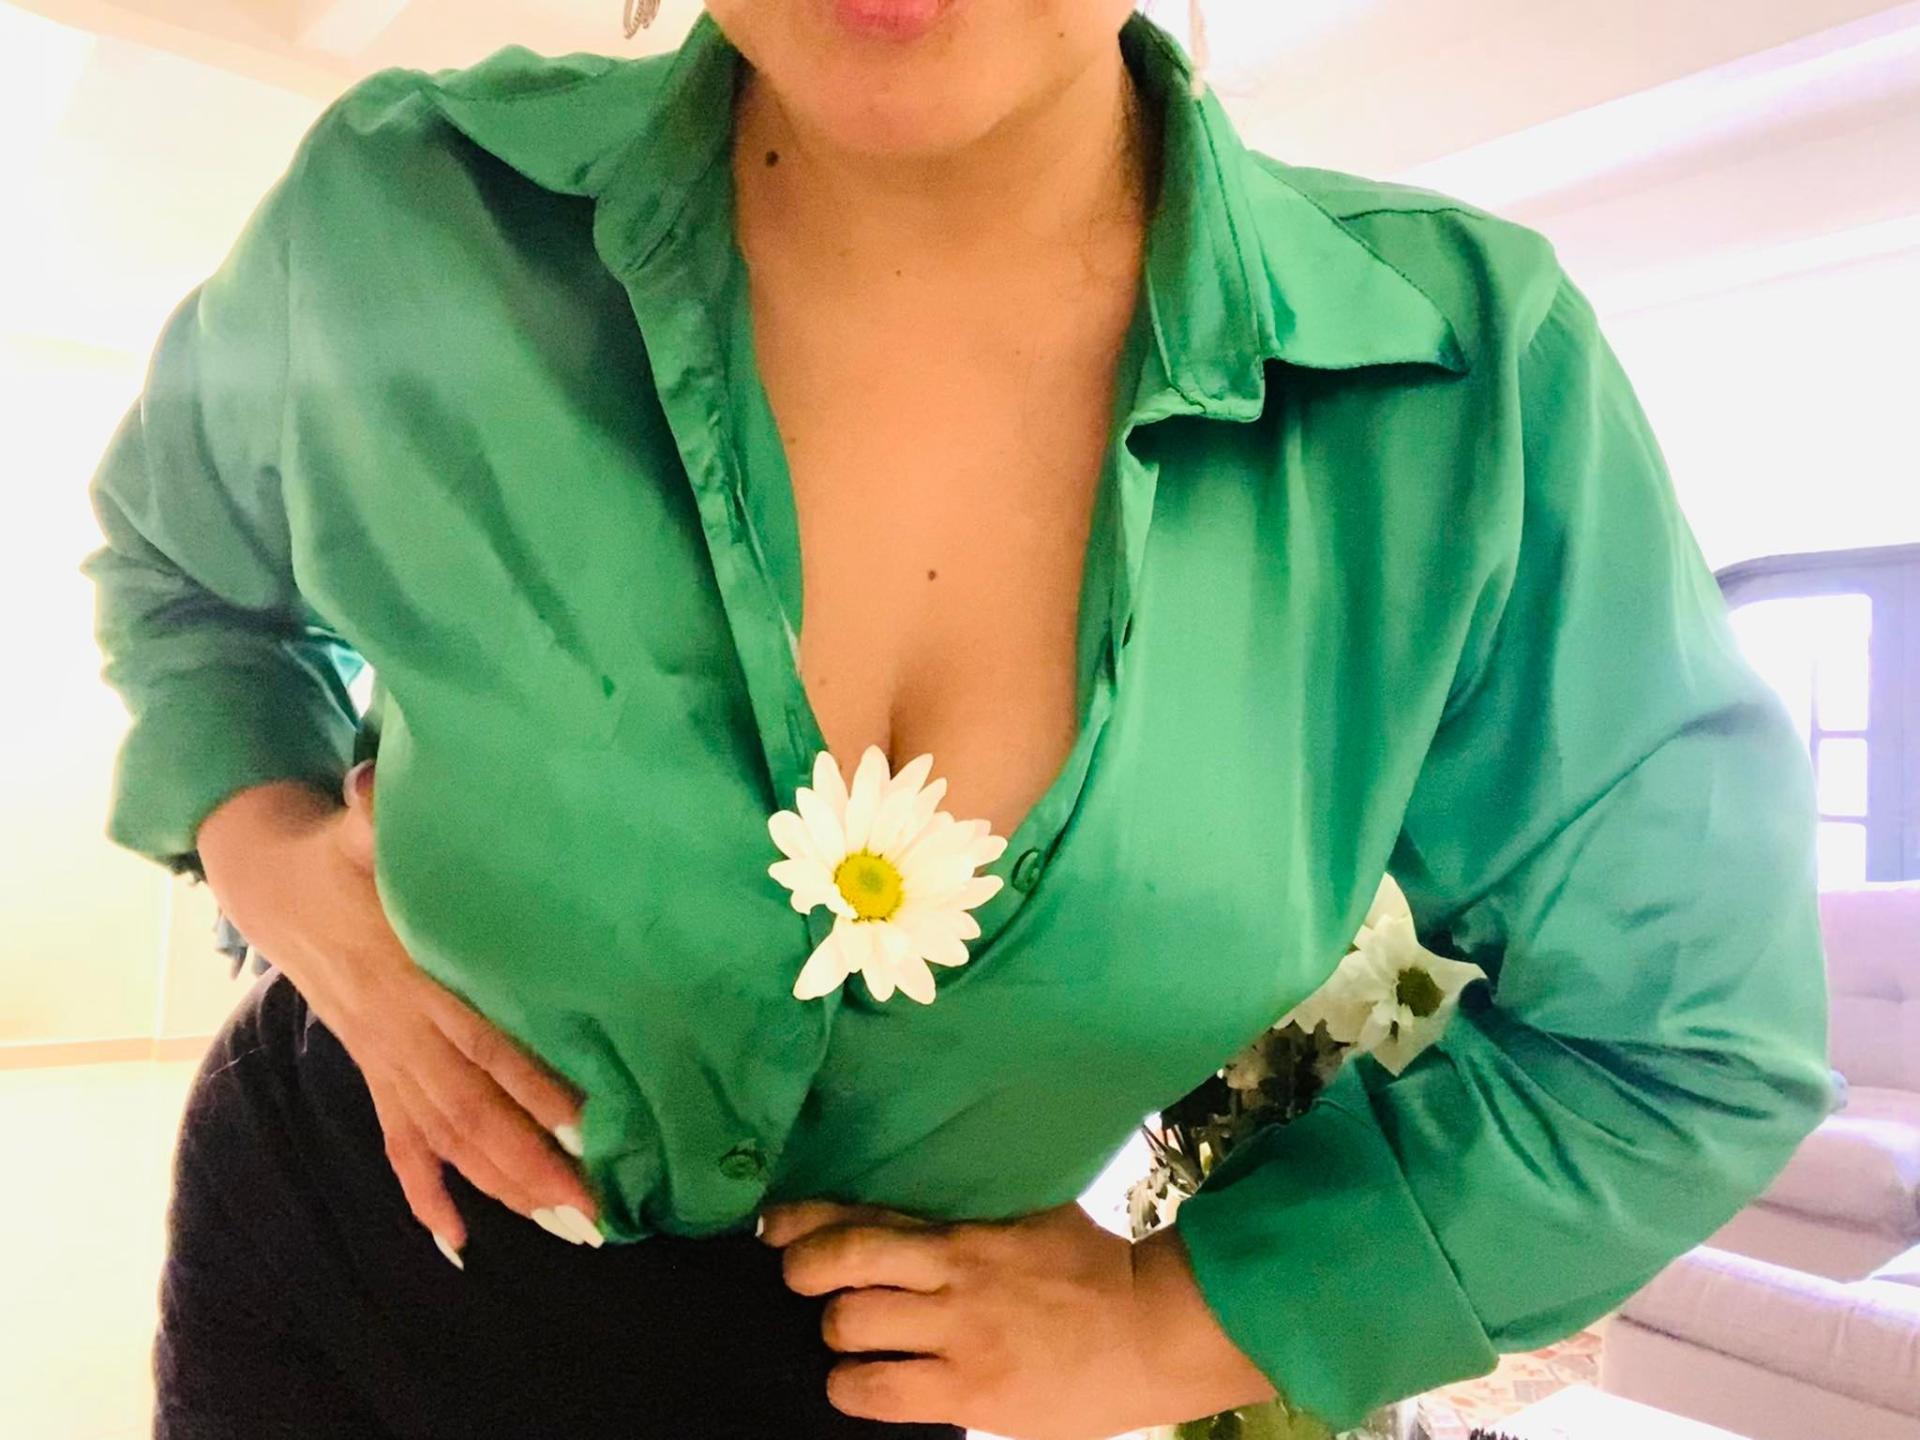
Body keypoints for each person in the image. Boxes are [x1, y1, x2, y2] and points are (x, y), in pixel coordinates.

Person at [85, 1, 1833, 1437]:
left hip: (856, 1377)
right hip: (332, 1238)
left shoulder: (1470, 392)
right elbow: (181, 582)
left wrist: (1175, 1320)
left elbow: (1683, 1053)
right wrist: (284, 871)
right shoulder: (404, 209)